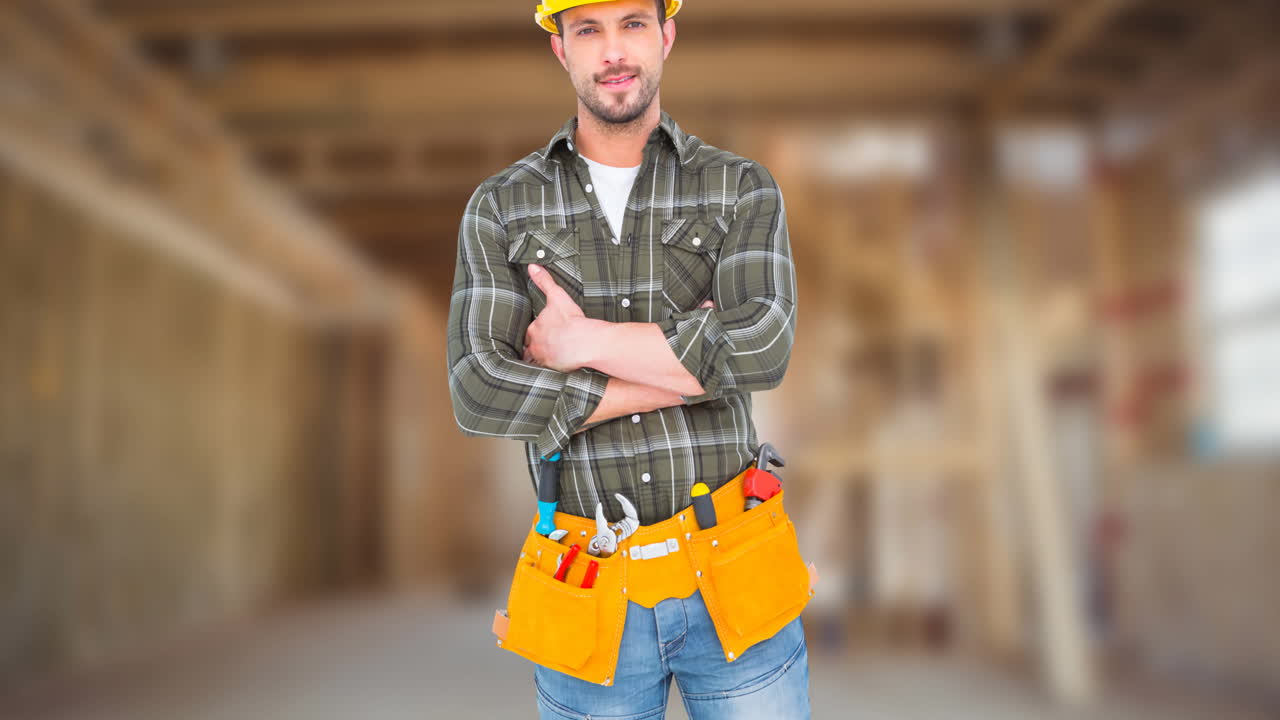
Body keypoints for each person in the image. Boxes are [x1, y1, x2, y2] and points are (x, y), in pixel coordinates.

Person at [446, 0, 806, 716]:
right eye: (588, 29)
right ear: (561, 49)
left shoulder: (739, 188)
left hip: (732, 563)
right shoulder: (502, 207)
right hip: (587, 581)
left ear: (666, 34)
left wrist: (579, 347)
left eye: (633, 24)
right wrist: (684, 376)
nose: (613, 50)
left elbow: (763, 347)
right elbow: (476, 388)